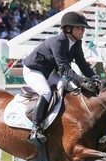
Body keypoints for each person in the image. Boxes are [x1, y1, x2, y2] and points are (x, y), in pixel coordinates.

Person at [22, 11, 99, 146]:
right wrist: (82, 81)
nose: (83, 31)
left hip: (49, 72)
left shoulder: (76, 43)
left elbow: (82, 63)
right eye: (79, 27)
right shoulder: (58, 41)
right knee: (46, 92)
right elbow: (64, 68)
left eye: (83, 28)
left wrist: (94, 78)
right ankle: (36, 128)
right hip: (33, 70)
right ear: (68, 29)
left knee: (68, 89)